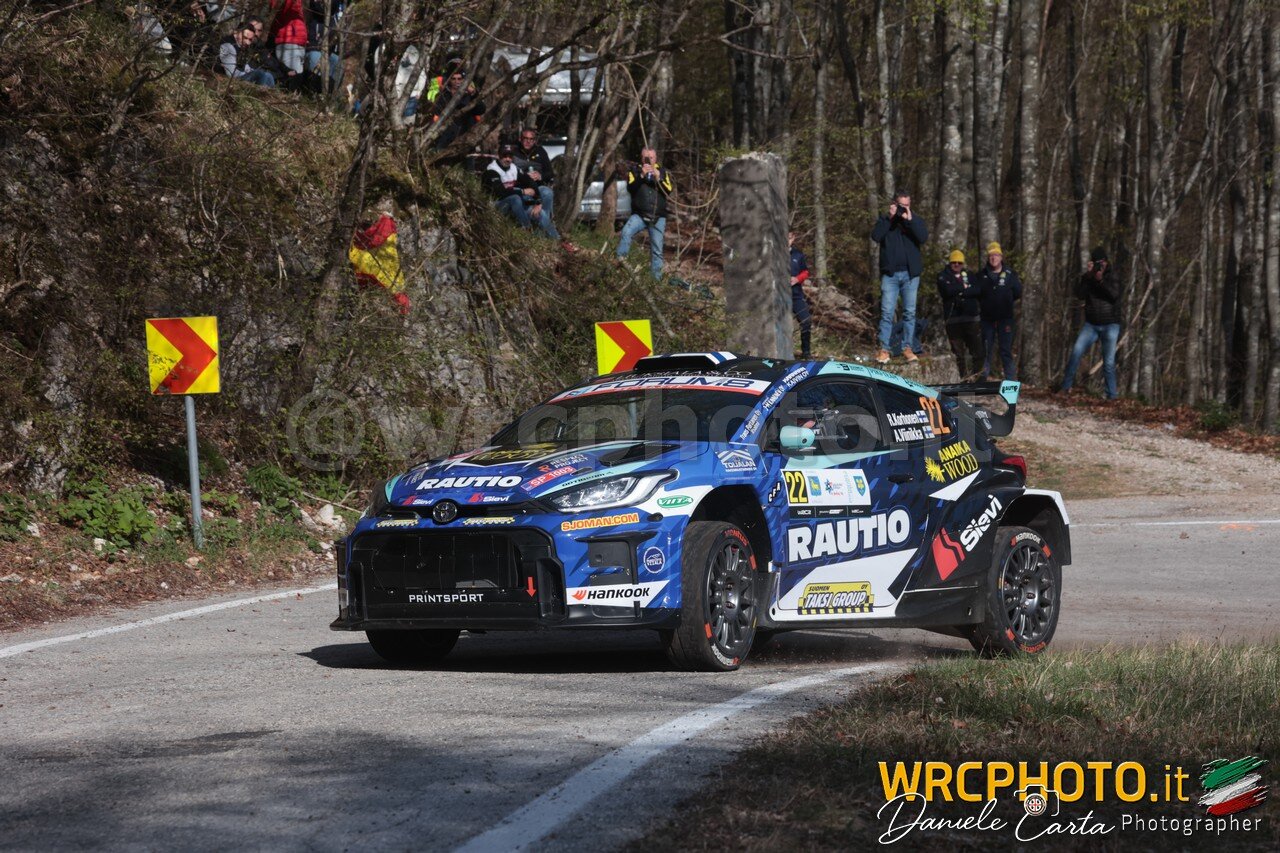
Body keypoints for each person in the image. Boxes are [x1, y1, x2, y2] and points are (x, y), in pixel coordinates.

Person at [870, 191, 928, 364]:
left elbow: (923, 237)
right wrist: (890, 218)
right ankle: (884, 350)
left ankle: (907, 348)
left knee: (909, 313)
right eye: (901, 205)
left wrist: (909, 220)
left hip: (910, 275)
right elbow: (876, 236)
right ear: (894, 204)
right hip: (891, 275)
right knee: (887, 313)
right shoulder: (886, 221)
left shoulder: (915, 220)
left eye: (906, 205)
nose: (903, 209)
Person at [1060, 246, 1123, 399]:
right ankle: (1065, 388)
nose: (1100, 266)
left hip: (1110, 324)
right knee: (1076, 353)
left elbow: (1114, 295)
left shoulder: (1113, 275)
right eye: (1097, 263)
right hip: (1091, 324)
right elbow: (1079, 295)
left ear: (1106, 262)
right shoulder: (1088, 277)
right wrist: (1088, 276)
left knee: (1108, 362)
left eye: (1102, 262)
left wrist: (1101, 281)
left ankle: (1112, 396)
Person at [616, 148, 674, 280]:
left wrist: (659, 178)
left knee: (657, 250)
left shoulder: (663, 171)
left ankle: (655, 281)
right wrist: (641, 175)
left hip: (658, 216)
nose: (648, 160)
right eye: (645, 158)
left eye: (651, 158)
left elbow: (668, 190)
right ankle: (620, 265)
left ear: (656, 158)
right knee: (626, 233)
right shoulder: (634, 170)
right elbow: (631, 188)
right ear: (641, 158)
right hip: (639, 215)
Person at [484, 144, 558, 239]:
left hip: (515, 206)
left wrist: (538, 201)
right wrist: (522, 191)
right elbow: (500, 192)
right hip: (497, 205)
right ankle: (527, 229)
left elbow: (530, 181)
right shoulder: (492, 170)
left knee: (540, 212)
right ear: (499, 156)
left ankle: (556, 240)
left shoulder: (513, 168)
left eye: (510, 156)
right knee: (515, 198)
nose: (508, 159)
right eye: (505, 156)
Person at [976, 242, 1022, 380]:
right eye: (991, 255)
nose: (993, 258)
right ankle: (981, 381)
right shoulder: (981, 275)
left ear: (1001, 257)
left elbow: (1018, 292)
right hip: (987, 319)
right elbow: (977, 293)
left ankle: (1010, 382)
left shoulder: (1010, 274)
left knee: (1005, 351)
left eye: (996, 255)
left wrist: (1005, 300)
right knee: (986, 351)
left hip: (1005, 318)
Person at [936, 249, 984, 379]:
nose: (956, 264)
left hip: (971, 319)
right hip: (953, 320)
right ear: (950, 263)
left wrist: (958, 290)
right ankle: (963, 379)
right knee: (958, 354)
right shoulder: (943, 275)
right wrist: (965, 287)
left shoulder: (970, 275)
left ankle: (977, 378)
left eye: (959, 262)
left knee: (977, 352)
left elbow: (978, 290)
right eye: (954, 262)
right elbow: (947, 291)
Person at [429, 67, 485, 148]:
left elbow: (481, 110)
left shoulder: (469, 96)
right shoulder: (444, 95)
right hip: (444, 134)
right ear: (450, 80)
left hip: (463, 135)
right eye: (453, 79)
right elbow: (436, 113)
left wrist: (474, 94)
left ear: (463, 80)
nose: (456, 81)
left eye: (459, 79)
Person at [267, 0, 307, 87]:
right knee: (292, 79)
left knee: (297, 78)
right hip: (289, 42)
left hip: (297, 42)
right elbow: (275, 5)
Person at [789, 231, 813, 358]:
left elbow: (805, 272)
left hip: (796, 294)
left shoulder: (798, 255)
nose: (787, 240)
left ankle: (806, 352)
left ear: (793, 238)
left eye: (789, 238)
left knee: (806, 320)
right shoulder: (775, 253)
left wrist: (797, 279)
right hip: (779, 295)